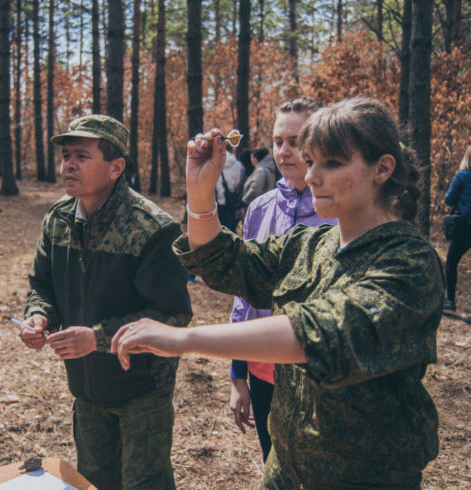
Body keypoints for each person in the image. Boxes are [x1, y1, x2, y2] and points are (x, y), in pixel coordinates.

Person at [112, 97, 445, 488]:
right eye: (311, 160)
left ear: (382, 168)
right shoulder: (310, 244)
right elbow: (223, 260)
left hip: (365, 478)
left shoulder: (409, 261)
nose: (313, 175)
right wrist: (200, 191)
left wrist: (182, 339)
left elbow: (321, 334)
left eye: (332, 163)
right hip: (285, 471)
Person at [18, 114, 192, 489]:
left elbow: (173, 316)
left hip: (142, 390)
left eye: (82, 155)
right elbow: (41, 284)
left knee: (145, 484)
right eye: (66, 156)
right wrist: (38, 315)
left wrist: (95, 338)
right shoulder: (58, 219)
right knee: (94, 481)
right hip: (87, 388)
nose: (68, 165)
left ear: (116, 167)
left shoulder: (153, 228)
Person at [229, 97, 336, 463]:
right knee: (273, 464)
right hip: (263, 370)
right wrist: (237, 371)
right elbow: (243, 295)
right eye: (278, 142)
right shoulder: (259, 209)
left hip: (320, 377)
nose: (284, 151)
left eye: (296, 141)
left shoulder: (340, 213)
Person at [444, 144, 471, 311]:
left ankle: (451, 301)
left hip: (463, 226)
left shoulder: (462, 176)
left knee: (451, 262)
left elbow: (448, 199)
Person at [215, 145, 245, 232]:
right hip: (231, 203)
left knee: (217, 232)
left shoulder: (214, 163)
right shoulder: (237, 165)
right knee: (230, 231)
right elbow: (238, 182)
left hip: (217, 203)